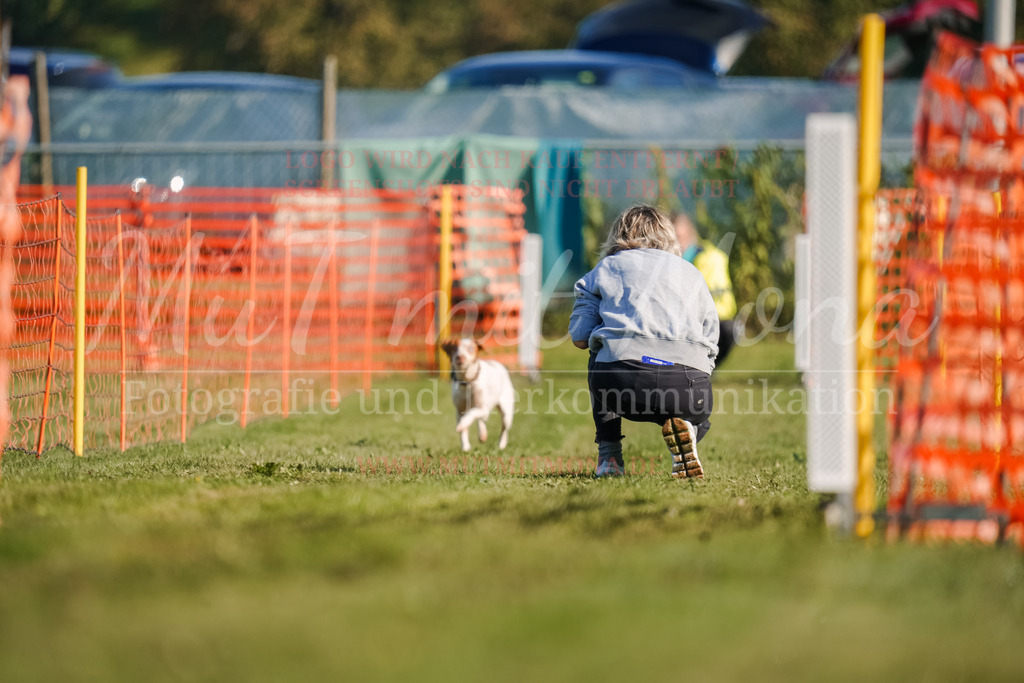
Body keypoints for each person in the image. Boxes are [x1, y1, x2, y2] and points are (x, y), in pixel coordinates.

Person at [569, 204, 718, 479]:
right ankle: (688, 427)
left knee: (598, 352)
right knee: (694, 408)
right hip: (689, 389)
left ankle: (609, 458)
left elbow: (579, 338)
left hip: (621, 384)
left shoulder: (607, 268)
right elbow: (711, 337)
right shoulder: (692, 272)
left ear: (619, 235)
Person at [671, 210, 737, 367]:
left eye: (679, 237)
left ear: (689, 233)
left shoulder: (703, 259)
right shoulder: (711, 254)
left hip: (708, 321)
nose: (678, 243)